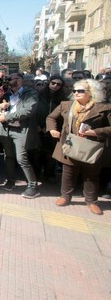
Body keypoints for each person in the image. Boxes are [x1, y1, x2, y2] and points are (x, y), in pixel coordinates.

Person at [47, 79, 111, 215]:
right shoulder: (67, 105)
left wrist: (96, 132)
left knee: (91, 175)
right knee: (68, 172)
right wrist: (52, 130)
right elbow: (51, 118)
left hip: (92, 148)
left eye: (81, 91)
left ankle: (91, 201)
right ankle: (65, 196)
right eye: (75, 90)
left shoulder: (104, 108)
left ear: (91, 93)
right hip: (70, 145)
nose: (76, 93)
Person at [0, 72, 41, 199]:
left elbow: (28, 110)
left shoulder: (31, 93)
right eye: (7, 79)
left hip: (21, 131)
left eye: (10, 79)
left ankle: (33, 186)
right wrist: (0, 106)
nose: (8, 81)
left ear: (20, 80)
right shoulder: (8, 94)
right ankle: (11, 180)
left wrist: (7, 116)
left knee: (21, 158)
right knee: (8, 156)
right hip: (7, 130)